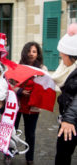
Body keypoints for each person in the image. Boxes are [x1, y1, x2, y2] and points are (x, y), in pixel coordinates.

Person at [14, 41, 48, 165]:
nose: (31, 54)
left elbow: (45, 88)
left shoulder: (42, 69)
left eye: (34, 51)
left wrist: (35, 93)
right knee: (12, 131)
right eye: (29, 51)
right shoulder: (18, 66)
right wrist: (20, 91)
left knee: (30, 134)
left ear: (38, 54)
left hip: (32, 107)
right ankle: (9, 153)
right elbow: (11, 84)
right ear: (25, 52)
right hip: (17, 105)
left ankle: (29, 158)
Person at [54, 23, 77, 165]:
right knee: (62, 155)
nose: (61, 57)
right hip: (68, 119)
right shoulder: (68, 68)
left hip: (71, 120)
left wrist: (68, 119)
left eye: (63, 55)